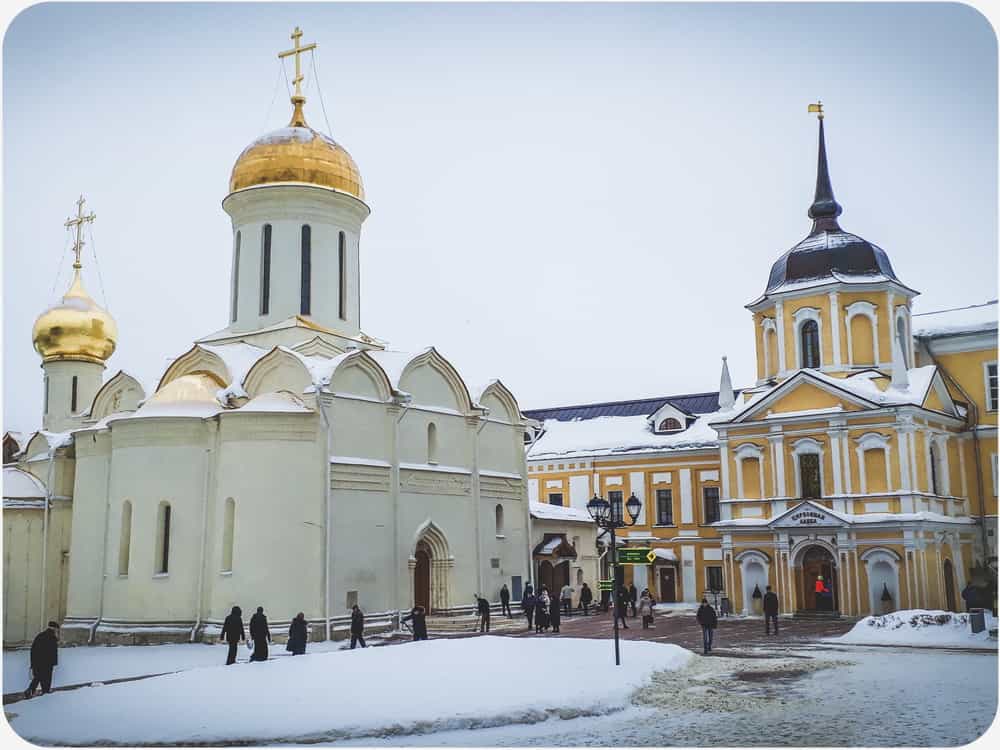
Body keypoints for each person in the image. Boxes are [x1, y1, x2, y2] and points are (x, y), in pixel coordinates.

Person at [24, 621, 59, 698]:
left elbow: (33, 649)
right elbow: (52, 652)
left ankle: (31, 690)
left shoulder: (40, 635)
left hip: (38, 661)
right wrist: (53, 662)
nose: (57, 631)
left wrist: (33, 663)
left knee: (38, 677)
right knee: (47, 677)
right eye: (57, 629)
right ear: (54, 628)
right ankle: (44, 691)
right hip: (47, 662)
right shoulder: (52, 637)